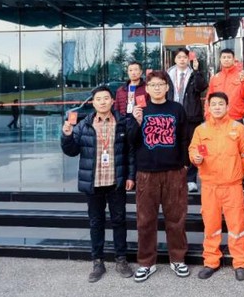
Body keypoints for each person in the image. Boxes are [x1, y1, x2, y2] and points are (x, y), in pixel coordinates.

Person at [60, 85, 135, 283]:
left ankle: (121, 260)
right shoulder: (83, 125)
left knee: (119, 221)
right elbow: (71, 151)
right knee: (96, 222)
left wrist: (130, 176)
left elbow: (130, 152)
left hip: (116, 181)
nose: (102, 102)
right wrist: (66, 135)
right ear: (93, 103)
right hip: (94, 183)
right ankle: (98, 262)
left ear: (112, 101)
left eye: (106, 98)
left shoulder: (122, 123)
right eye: (98, 99)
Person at [130, 71, 190, 282]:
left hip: (174, 172)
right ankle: (146, 263)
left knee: (176, 218)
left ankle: (178, 259)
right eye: (153, 85)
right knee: (145, 220)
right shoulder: (140, 110)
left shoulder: (177, 109)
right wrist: (136, 122)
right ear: (146, 88)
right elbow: (131, 141)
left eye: (160, 84)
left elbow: (184, 138)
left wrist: (184, 164)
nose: (157, 88)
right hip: (146, 173)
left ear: (167, 87)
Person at [189, 92, 244, 281]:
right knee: (211, 226)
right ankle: (211, 261)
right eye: (213, 104)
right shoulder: (201, 130)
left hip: (232, 186)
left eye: (221, 104)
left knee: (237, 226)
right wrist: (195, 158)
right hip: (209, 186)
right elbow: (193, 150)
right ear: (208, 107)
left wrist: (236, 174)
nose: (217, 107)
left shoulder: (237, 128)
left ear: (227, 106)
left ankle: (240, 262)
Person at [166, 48, 208, 193]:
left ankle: (191, 179)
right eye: (179, 57)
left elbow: (201, 87)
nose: (182, 60)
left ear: (188, 59)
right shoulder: (168, 75)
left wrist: (196, 71)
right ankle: (175, 177)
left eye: (184, 57)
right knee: (174, 146)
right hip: (173, 115)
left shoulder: (193, 73)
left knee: (192, 146)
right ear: (175, 59)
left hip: (191, 116)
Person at [206, 48, 244, 122]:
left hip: (235, 117)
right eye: (224, 57)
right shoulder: (215, 78)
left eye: (229, 57)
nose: (226, 59)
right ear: (220, 59)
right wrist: (208, 116)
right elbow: (208, 98)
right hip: (217, 117)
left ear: (233, 59)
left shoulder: (241, 75)